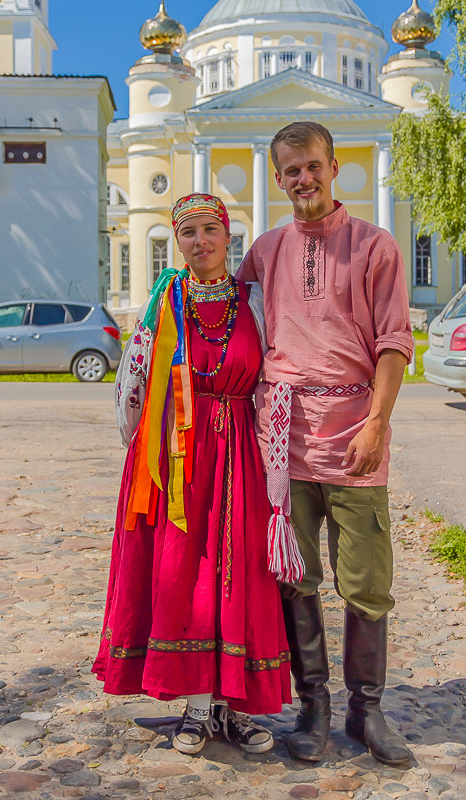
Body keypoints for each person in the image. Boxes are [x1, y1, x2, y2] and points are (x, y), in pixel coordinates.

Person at [236, 121, 414, 768]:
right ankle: (313, 708)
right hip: (282, 440)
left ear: (334, 167)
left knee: (366, 584)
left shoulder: (374, 247)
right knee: (294, 577)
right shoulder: (264, 250)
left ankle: (367, 711)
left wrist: (376, 423)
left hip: (353, 434)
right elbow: (233, 325)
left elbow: (394, 342)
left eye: (312, 166)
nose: (302, 179)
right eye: (290, 171)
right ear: (277, 177)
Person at [92, 193, 292, 756]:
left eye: (210, 230)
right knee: (184, 573)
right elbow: (133, 379)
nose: (200, 241)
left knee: (238, 573)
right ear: (176, 242)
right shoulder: (164, 300)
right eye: (188, 233)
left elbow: (275, 376)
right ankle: (196, 708)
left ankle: (232, 706)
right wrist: (140, 456)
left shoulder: (252, 303)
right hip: (175, 455)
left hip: (239, 455)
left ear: (228, 236)